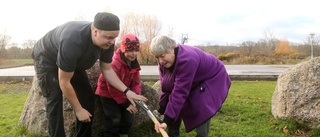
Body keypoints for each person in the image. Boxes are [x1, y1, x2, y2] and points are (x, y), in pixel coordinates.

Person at [31, 12, 147, 137]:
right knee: (54, 99)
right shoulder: (73, 41)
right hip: (47, 58)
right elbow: (64, 81)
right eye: (108, 37)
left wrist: (127, 91)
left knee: (87, 97)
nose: (112, 42)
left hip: (74, 62)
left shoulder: (108, 43)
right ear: (95, 31)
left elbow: (107, 70)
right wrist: (78, 109)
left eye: (114, 38)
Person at [149, 35, 231, 137]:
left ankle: (202, 135)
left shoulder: (187, 59)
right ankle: (173, 133)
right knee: (176, 105)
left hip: (213, 77)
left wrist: (167, 119)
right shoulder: (163, 63)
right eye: (157, 57)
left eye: (162, 56)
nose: (160, 61)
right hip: (196, 77)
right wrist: (162, 108)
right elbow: (167, 87)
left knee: (202, 108)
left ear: (171, 49)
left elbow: (180, 92)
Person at [95, 33, 141, 137]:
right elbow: (112, 86)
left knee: (128, 118)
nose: (134, 54)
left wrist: (135, 95)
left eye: (136, 50)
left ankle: (123, 134)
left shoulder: (134, 63)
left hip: (124, 93)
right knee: (114, 118)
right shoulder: (115, 62)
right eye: (130, 50)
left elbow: (136, 82)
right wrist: (125, 103)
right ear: (124, 48)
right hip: (107, 93)